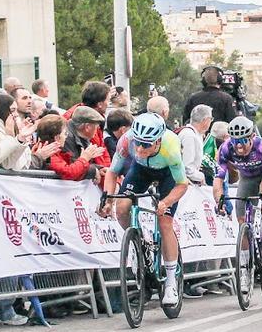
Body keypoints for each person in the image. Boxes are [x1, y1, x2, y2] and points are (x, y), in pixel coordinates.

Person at [101, 113, 189, 307]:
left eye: (146, 145)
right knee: (122, 207)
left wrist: (165, 202)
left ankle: (171, 282)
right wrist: (107, 198)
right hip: (140, 170)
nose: (140, 148)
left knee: (165, 222)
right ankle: (137, 241)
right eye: (138, 143)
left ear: (157, 141)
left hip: (168, 176)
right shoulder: (126, 140)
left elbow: (182, 185)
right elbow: (112, 171)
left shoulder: (171, 148)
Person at [213, 116, 262, 208]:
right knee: (241, 216)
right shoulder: (225, 148)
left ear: (252, 137)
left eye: (243, 140)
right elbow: (218, 179)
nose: (239, 145)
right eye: (235, 141)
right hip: (247, 177)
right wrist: (220, 203)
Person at [50, 106, 109, 182]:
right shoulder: (67, 138)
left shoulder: (82, 136)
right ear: (87, 127)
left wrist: (99, 168)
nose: (97, 130)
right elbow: (72, 168)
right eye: (96, 126)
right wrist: (93, 170)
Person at [179, 104, 213, 185]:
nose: (211, 121)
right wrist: (200, 176)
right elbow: (187, 167)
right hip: (184, 184)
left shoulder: (195, 134)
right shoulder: (189, 136)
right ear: (205, 120)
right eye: (211, 119)